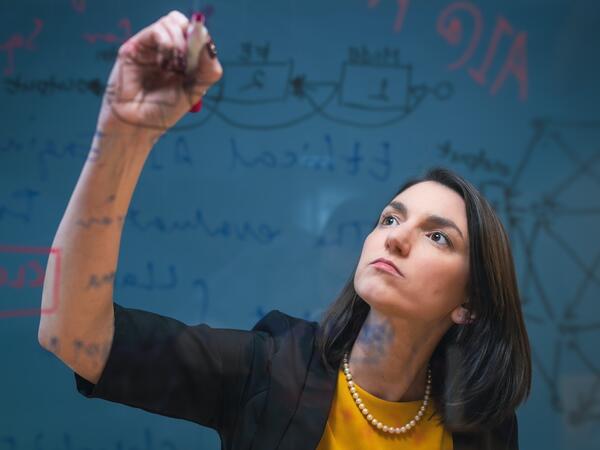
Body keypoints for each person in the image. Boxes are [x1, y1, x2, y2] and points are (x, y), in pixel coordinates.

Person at [38, 10, 531, 450]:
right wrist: (122, 132)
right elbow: (74, 336)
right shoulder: (272, 372)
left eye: (438, 236)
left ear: (469, 305)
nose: (396, 237)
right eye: (390, 218)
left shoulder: (481, 429)